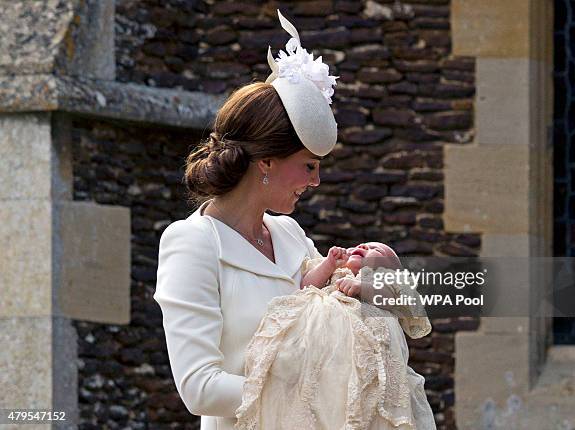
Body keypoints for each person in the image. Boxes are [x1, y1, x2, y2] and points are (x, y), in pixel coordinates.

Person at [154, 10, 339, 430]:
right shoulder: (192, 242)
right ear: (267, 162)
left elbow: (331, 321)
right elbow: (199, 387)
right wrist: (307, 390)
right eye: (308, 167)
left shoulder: (290, 233)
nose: (316, 182)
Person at [234, 243, 436, 429]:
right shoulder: (336, 271)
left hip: (362, 347)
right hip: (321, 344)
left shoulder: (383, 282)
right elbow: (305, 284)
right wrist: (328, 264)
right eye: (359, 245)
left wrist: (362, 288)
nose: (364, 245)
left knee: (366, 389)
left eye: (377, 250)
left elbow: (390, 298)